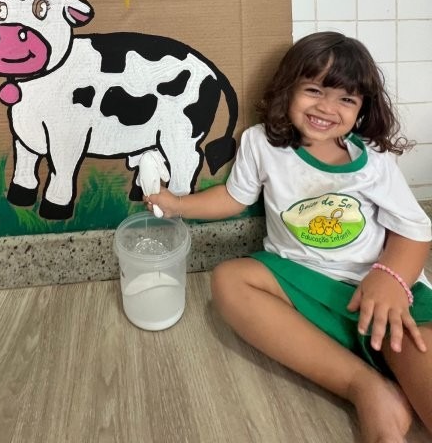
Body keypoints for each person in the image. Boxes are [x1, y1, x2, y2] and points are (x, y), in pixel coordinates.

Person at [147, 31, 432, 443]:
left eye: (346, 99)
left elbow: (414, 228)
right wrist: (177, 205)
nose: (326, 107)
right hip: (301, 283)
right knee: (229, 280)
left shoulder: (373, 159)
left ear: (362, 108)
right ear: (288, 89)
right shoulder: (261, 143)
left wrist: (391, 278)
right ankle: (364, 387)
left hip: (382, 296)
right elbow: (233, 197)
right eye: (314, 90)